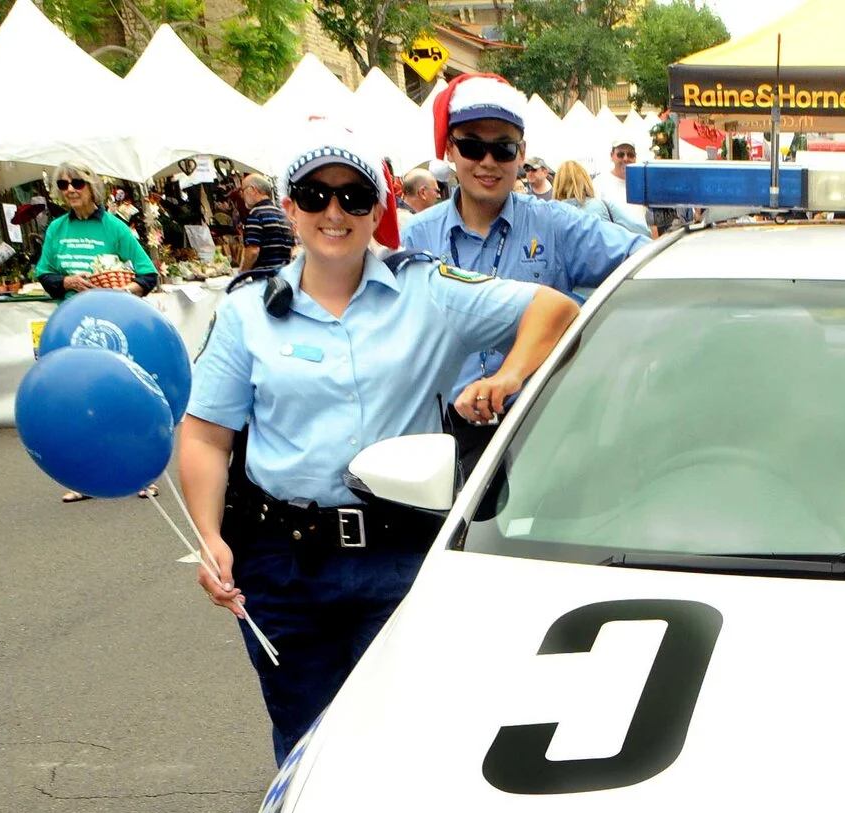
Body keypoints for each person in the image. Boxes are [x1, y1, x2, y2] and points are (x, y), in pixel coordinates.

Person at [178, 130, 580, 762]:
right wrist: (210, 537)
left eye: (354, 197)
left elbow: (552, 309)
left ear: (377, 209)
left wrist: (508, 376)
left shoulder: (427, 290)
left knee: (410, 740)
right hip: (285, 564)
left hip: (401, 555)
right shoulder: (249, 311)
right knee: (306, 743)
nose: (333, 213)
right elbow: (206, 433)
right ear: (289, 208)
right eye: (314, 195)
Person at [402, 76, 645, 466]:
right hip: (442, 439)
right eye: (472, 146)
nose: (487, 161)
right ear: (450, 148)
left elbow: (645, 260)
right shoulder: (415, 235)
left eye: (503, 149)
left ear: (522, 153)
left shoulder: (557, 225)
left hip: (542, 435)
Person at [34, 163, 159, 299]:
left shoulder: (115, 227)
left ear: (92, 187)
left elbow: (148, 275)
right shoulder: (56, 228)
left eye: (77, 183)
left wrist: (123, 292)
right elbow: (44, 275)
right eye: (63, 185)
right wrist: (67, 282)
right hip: (69, 314)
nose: (70, 189)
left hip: (108, 313)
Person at [234, 172, 296, 274]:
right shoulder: (282, 214)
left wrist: (242, 273)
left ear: (252, 190)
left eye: (243, 190)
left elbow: (253, 251)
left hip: (264, 279)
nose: (242, 195)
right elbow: (291, 249)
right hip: (284, 277)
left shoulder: (256, 214)